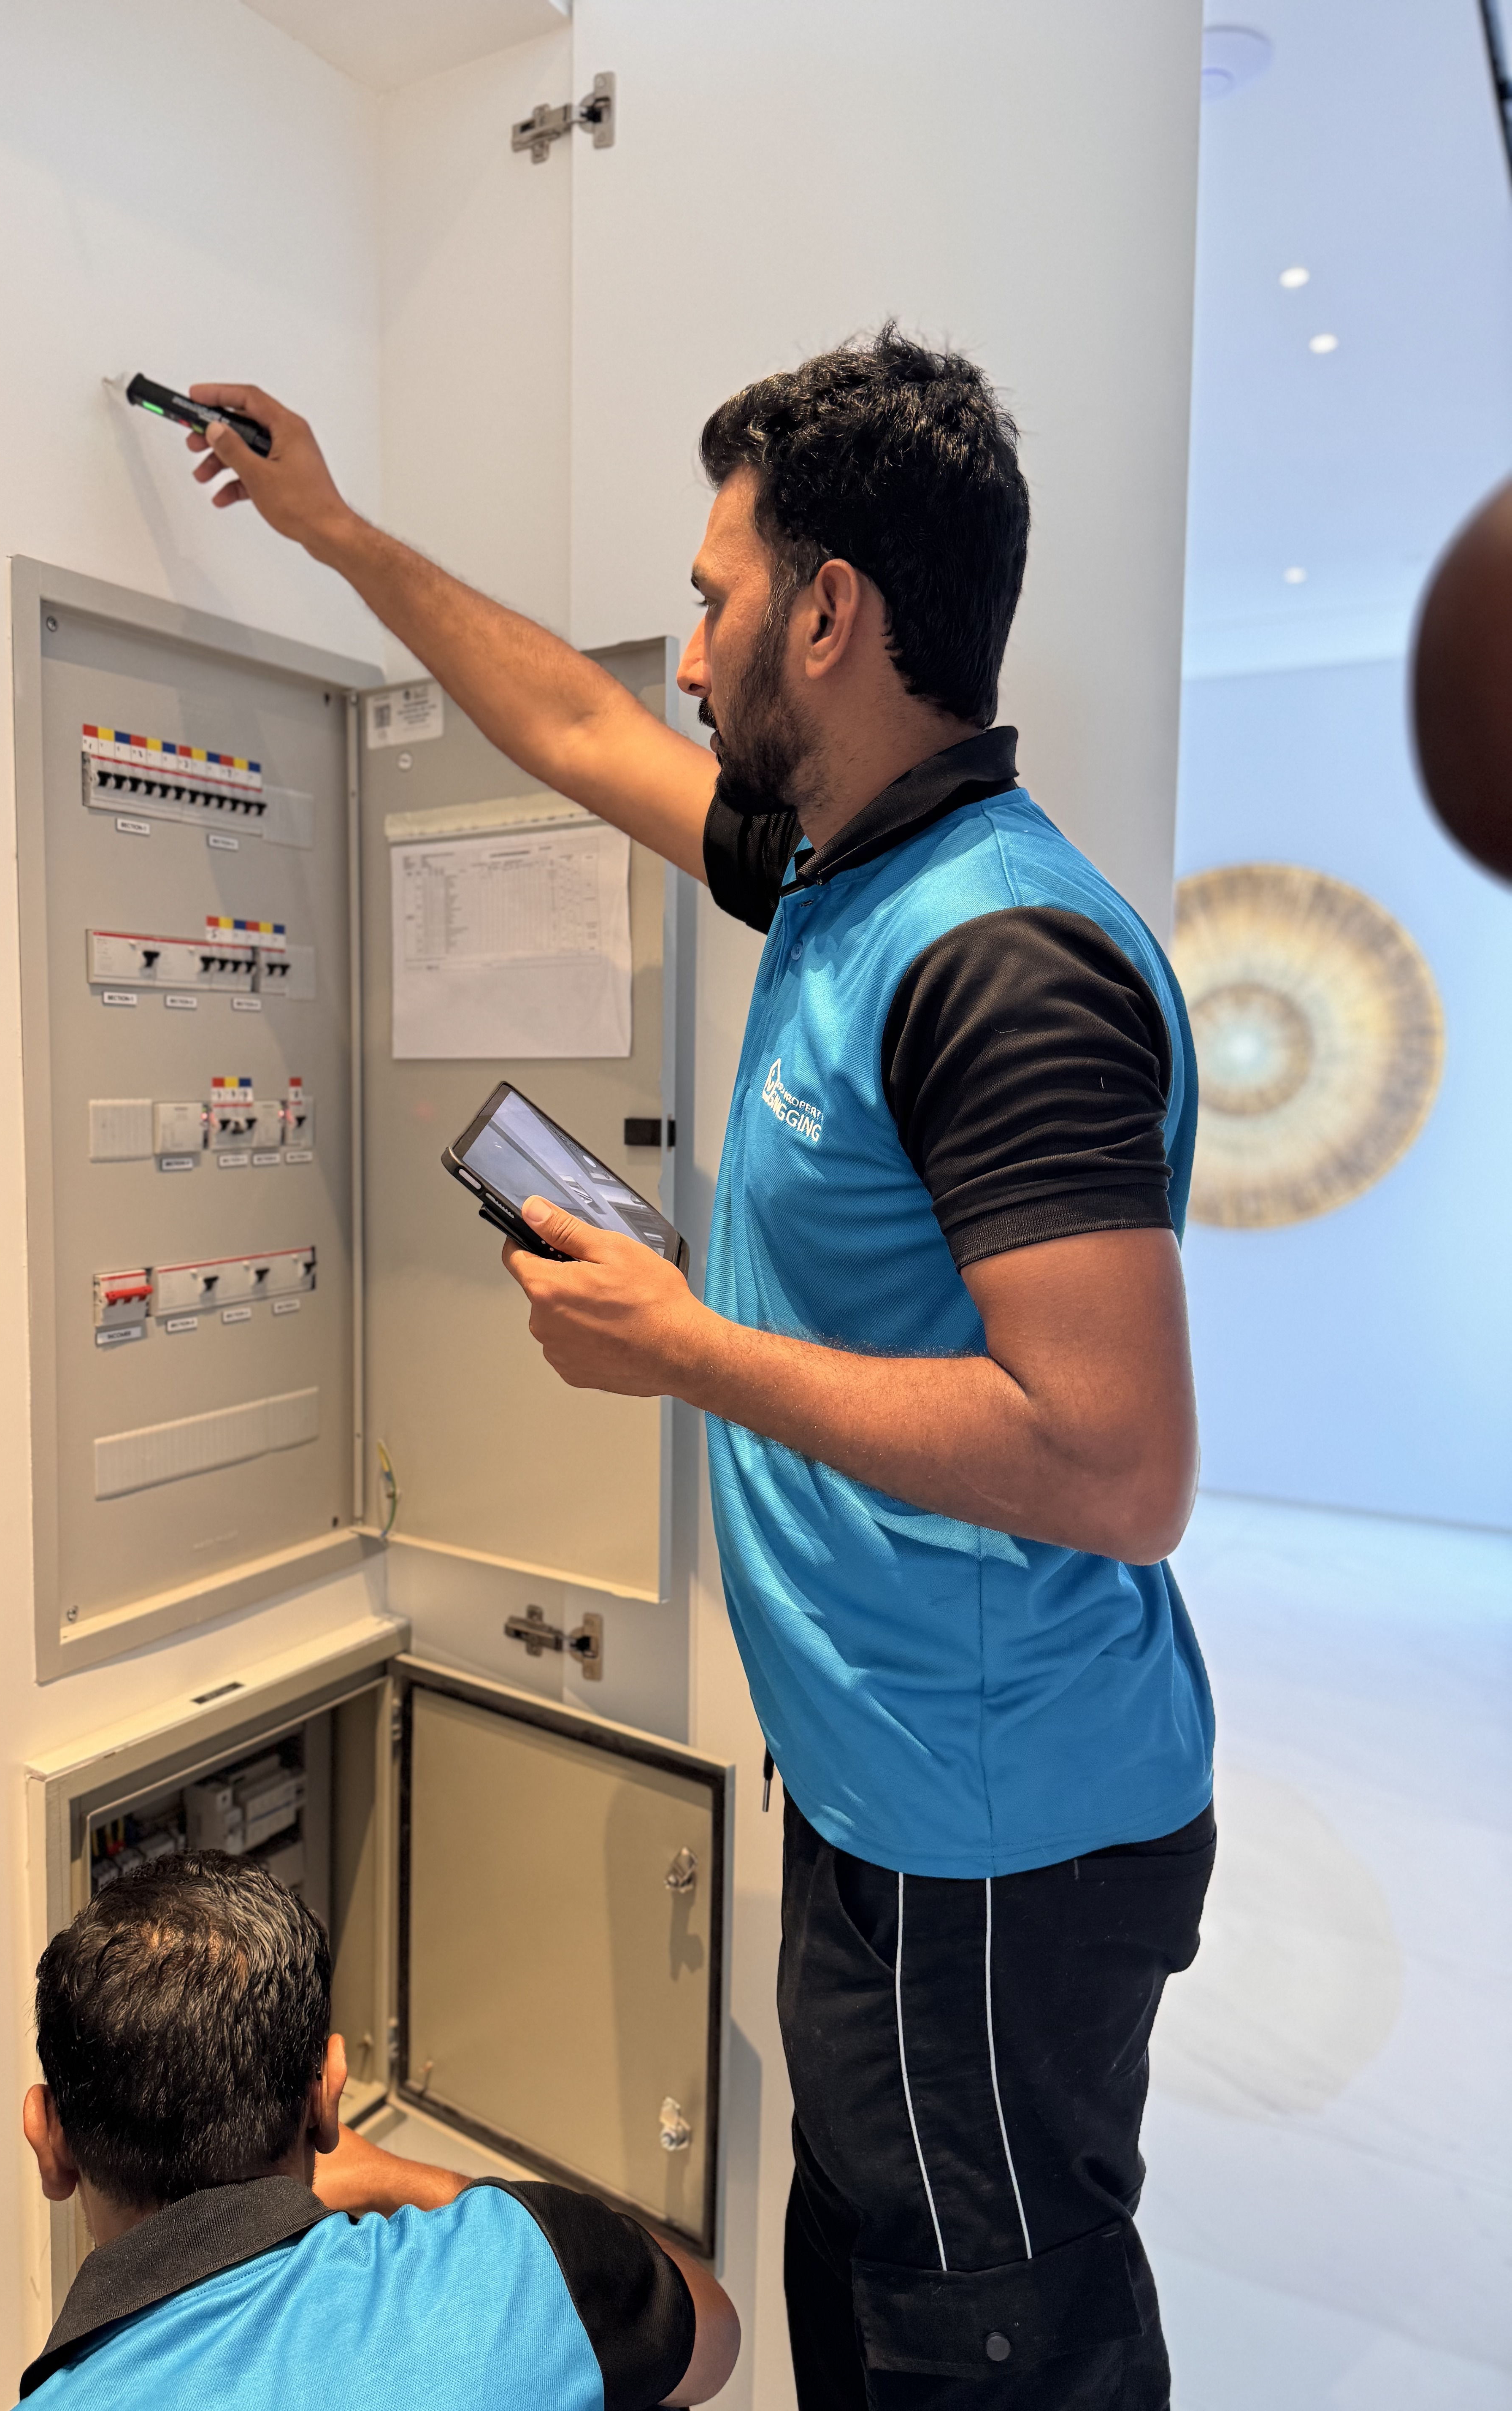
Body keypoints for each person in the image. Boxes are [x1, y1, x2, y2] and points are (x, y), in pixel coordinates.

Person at [177, 325, 1215, 2408]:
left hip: (992, 1844)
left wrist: (692, 1352)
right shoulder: (844, 874)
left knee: (992, 2338)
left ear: (828, 617)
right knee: (874, 2284)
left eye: (717, 599)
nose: (686, 657)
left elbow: (1120, 1466)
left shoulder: (1002, 964)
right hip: (889, 1795)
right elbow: (569, 725)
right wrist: (333, 529)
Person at [20, 1851, 739, 2406]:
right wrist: (401, 2179)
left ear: (49, 2142)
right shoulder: (516, 2263)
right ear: (328, 2094)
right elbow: (714, 2336)